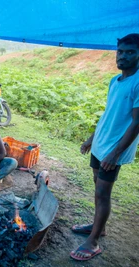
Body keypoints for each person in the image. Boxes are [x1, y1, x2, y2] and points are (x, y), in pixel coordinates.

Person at [70, 34, 139, 261]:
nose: (123, 56)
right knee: (96, 186)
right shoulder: (114, 81)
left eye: (130, 52)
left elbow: (137, 123)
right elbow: (108, 113)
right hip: (101, 144)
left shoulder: (138, 82)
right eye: (121, 51)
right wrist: (92, 137)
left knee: (103, 192)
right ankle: (100, 226)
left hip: (114, 149)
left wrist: (116, 153)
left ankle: (94, 241)